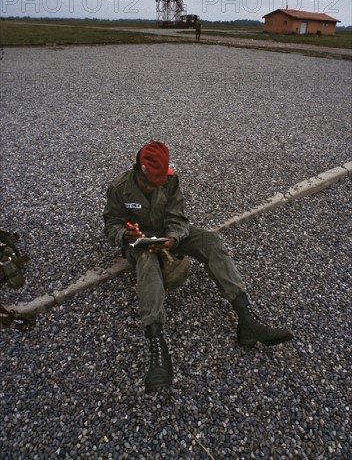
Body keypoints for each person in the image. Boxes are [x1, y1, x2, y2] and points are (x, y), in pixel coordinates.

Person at [103, 141, 293, 393]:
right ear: (136, 168)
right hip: (139, 243)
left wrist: (173, 238)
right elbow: (111, 223)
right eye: (147, 183)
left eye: (155, 185)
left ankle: (247, 320)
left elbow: (177, 217)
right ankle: (158, 348)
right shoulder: (119, 188)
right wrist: (124, 235)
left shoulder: (170, 181)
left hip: (168, 235)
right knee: (147, 264)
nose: (150, 187)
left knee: (210, 240)